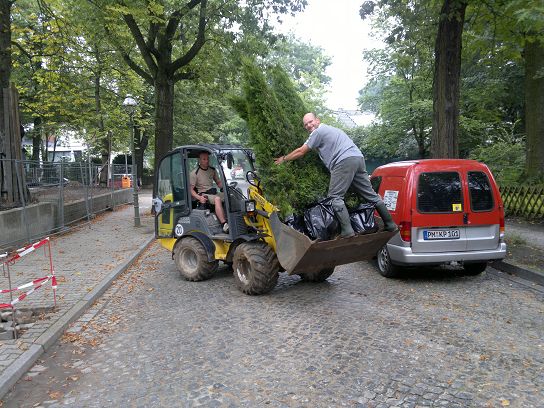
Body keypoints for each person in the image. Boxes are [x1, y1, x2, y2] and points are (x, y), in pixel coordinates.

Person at [274, 112, 397, 238]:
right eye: (306, 124)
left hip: (343, 161)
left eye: (310, 121)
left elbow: (301, 151)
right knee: (370, 195)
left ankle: (347, 231)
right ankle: (390, 224)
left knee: (335, 197)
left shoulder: (318, 132)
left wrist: (284, 159)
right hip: (357, 159)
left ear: (317, 120)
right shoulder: (333, 129)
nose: (309, 125)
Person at [190, 151, 229, 233]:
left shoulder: (212, 170)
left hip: (213, 193)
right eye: (204, 159)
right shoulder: (194, 173)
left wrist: (226, 188)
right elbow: (191, 190)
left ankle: (233, 218)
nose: (207, 161)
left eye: (208, 159)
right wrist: (199, 198)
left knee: (230, 195)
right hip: (203, 194)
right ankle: (224, 224)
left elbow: (218, 182)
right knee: (217, 199)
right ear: (199, 160)